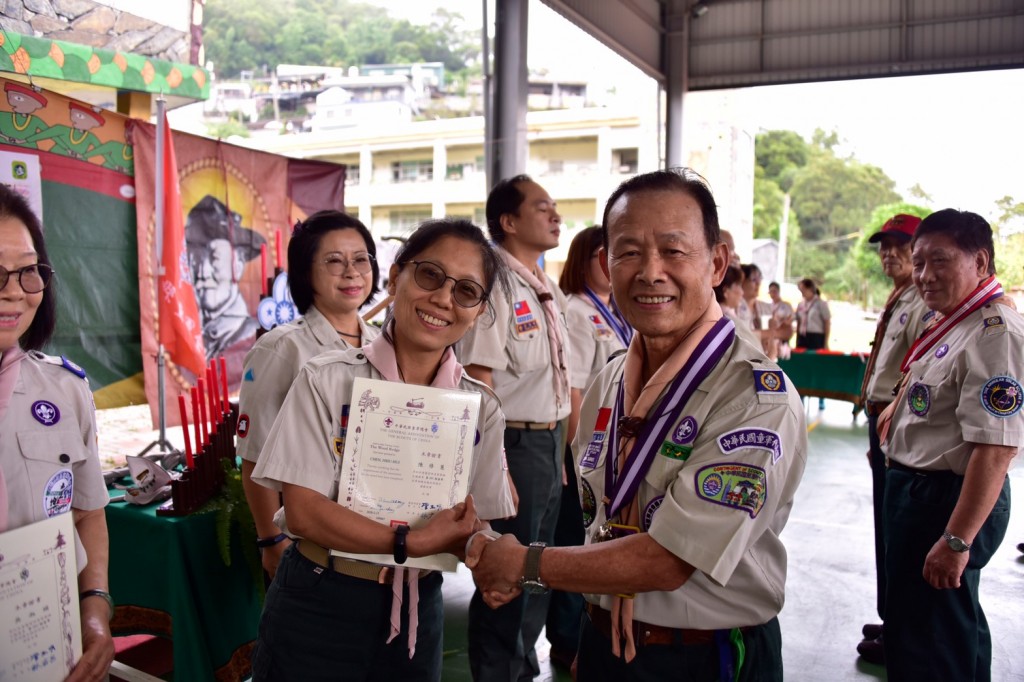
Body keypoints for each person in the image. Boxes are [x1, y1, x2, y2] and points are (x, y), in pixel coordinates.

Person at [467, 168, 808, 682]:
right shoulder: (610, 381)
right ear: (605, 263)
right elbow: (600, 519)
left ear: (716, 264)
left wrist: (522, 563)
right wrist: (595, 626)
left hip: (704, 657)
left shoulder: (755, 396)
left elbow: (669, 560)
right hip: (610, 644)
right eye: (628, 252)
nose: (650, 272)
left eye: (674, 251)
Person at [249, 218, 516, 681]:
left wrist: (489, 554)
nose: (443, 300)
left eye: (467, 291)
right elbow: (306, 513)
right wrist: (409, 542)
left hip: (419, 608)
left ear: (479, 310)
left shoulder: (480, 407)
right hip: (320, 601)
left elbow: (477, 517)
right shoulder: (326, 379)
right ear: (396, 277)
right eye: (430, 275)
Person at [877, 209, 1020, 681]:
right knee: (936, 626)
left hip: (947, 501)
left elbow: (995, 448)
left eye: (940, 261)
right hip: (920, 494)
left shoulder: (993, 333)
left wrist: (957, 541)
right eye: (918, 262)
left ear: (980, 262)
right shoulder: (954, 323)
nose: (924, 275)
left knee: (932, 644)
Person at [458, 174, 572, 682]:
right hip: (514, 442)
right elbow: (479, 378)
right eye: (542, 207)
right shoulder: (497, 282)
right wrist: (493, 461)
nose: (555, 216)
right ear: (508, 222)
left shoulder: (543, 285)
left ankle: (522, 664)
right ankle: (499, 671)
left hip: (547, 440)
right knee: (507, 566)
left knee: (537, 565)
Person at [0, 183, 114, 682]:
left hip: (46, 645)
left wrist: (94, 608)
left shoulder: (65, 389)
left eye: (29, 271)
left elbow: (87, 512)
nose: (14, 291)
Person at [239, 210, 381, 580]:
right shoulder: (282, 349)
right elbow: (254, 456)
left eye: (361, 258)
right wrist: (271, 541)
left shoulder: (385, 345)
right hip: (310, 543)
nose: (351, 271)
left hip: (376, 535)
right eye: (333, 261)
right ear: (305, 273)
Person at [549, 225, 632, 667]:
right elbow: (576, 389)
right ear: (589, 260)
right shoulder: (579, 310)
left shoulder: (615, 313)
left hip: (618, 448)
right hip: (591, 450)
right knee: (577, 539)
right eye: (609, 253)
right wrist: (584, 454)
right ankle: (565, 638)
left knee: (598, 539)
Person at [854, 214, 928, 665]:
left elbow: (915, 375)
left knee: (900, 533)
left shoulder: (924, 300)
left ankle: (903, 629)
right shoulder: (902, 297)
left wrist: (888, 429)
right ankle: (893, 617)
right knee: (887, 529)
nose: (889, 254)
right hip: (882, 422)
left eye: (899, 246)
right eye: (884, 246)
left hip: (896, 423)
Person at [185, 194, 267, 358]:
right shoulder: (191, 336)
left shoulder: (254, 335)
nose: (203, 272)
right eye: (196, 260)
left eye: (214, 258)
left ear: (237, 267)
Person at [795, 278, 831, 409]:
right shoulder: (801, 304)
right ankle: (801, 396)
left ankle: (821, 398)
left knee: (818, 367)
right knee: (803, 368)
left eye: (803, 290)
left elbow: (827, 322)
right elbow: (798, 321)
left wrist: (825, 341)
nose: (802, 293)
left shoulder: (820, 303)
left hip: (817, 337)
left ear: (811, 289)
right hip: (803, 337)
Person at [714, 264, 763, 350]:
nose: (742, 292)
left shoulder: (718, 315)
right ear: (726, 291)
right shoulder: (730, 323)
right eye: (739, 286)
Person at [766, 281, 794, 360]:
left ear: (778, 291)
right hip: (770, 335)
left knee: (782, 355)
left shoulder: (785, 305)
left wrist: (782, 323)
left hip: (782, 335)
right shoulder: (768, 306)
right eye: (770, 291)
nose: (772, 293)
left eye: (774, 291)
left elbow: (790, 320)